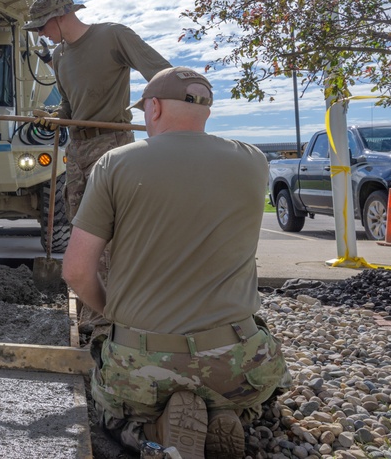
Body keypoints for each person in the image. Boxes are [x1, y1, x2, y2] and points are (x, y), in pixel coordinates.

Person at [62, 67, 291, 459]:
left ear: (153, 107)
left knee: (110, 414)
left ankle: (154, 432)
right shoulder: (254, 160)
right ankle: (231, 410)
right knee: (259, 395)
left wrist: (114, 312)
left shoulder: (115, 163)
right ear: (207, 109)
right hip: (237, 358)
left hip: (144, 361)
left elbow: (76, 271)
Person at [26, 0, 170, 331]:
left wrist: (168, 118)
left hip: (112, 144)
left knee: (112, 233)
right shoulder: (60, 57)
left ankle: (117, 318)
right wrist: (53, 117)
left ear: (60, 17)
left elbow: (164, 75)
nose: (40, 35)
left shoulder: (112, 36)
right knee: (84, 232)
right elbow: (70, 110)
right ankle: (96, 311)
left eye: (42, 27)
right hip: (77, 150)